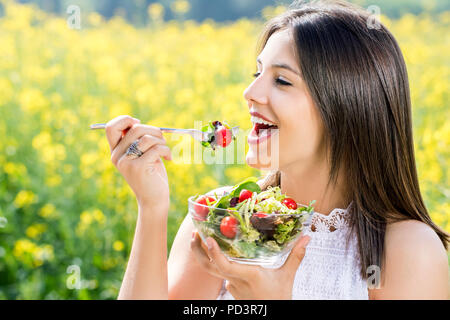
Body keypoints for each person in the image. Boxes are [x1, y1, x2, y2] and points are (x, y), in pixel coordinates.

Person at [104, 0, 449, 300]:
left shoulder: (406, 250)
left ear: (348, 107)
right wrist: (151, 207)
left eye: (282, 80)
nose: (249, 92)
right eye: (257, 73)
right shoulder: (223, 221)